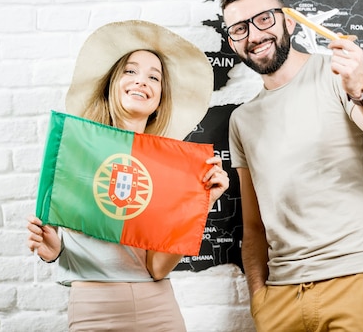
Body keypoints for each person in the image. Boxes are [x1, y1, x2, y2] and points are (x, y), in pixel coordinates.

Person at [220, 0, 363, 332]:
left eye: (264, 19)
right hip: (281, 301)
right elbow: (253, 226)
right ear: (232, 41)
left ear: (289, 21)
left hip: (356, 282)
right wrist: (259, 299)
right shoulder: (241, 120)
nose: (254, 35)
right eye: (240, 28)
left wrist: (360, 86)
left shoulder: (338, 77)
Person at [26, 20, 229, 331]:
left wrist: (200, 203)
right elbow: (55, 238)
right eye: (130, 71)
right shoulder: (73, 147)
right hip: (92, 307)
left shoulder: (170, 168)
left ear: (160, 99)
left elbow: (158, 267)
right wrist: (55, 251)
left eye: (154, 77)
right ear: (112, 83)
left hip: (158, 307)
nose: (141, 81)